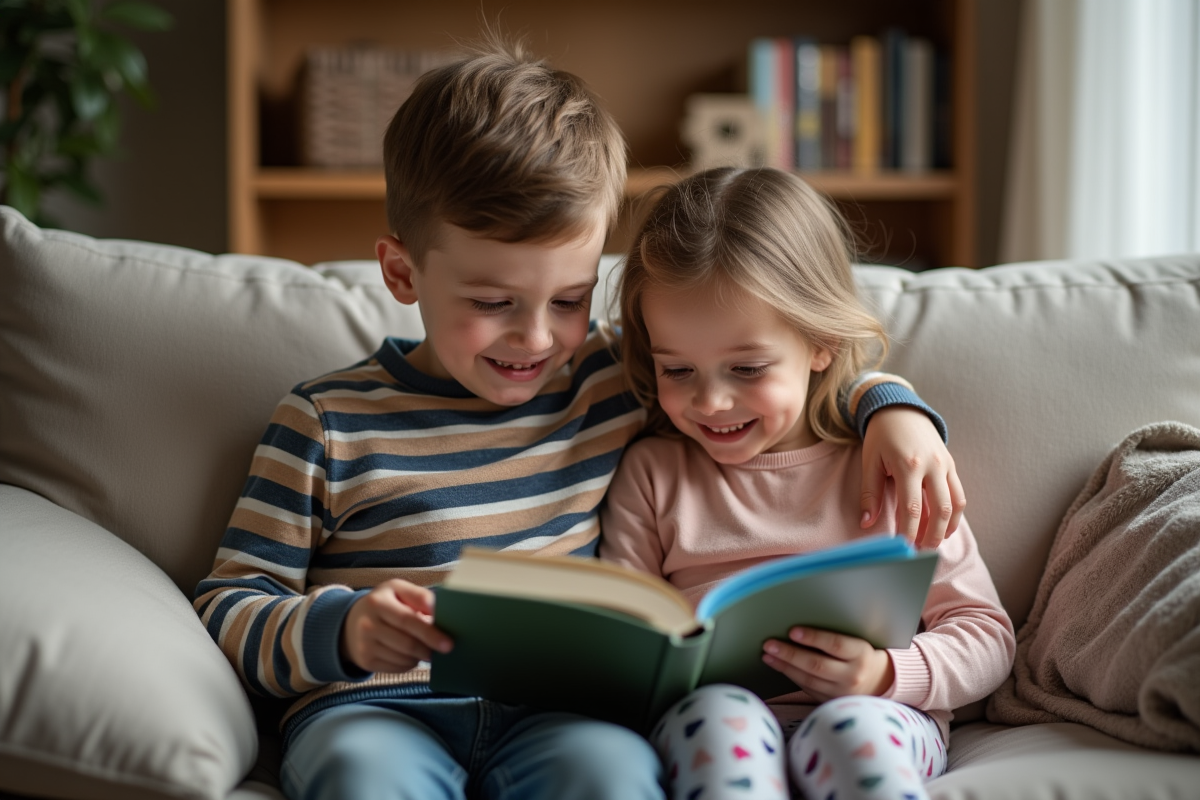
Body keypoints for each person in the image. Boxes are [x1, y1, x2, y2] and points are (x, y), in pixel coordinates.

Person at [194, 39, 964, 800]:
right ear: (402, 271)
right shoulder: (327, 421)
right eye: (492, 304)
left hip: (559, 714)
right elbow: (230, 604)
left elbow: (764, 358)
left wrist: (889, 406)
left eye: (568, 300)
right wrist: (343, 629)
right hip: (377, 706)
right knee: (364, 778)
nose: (535, 338)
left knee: (612, 777)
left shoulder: (610, 377)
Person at [599, 167, 1015, 800]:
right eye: (678, 369)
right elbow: (622, 633)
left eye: (746, 367)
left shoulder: (889, 467)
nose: (711, 401)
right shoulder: (654, 473)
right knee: (719, 722)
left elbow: (984, 634)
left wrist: (885, 675)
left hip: (880, 713)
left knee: (853, 731)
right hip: (713, 717)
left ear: (820, 341)